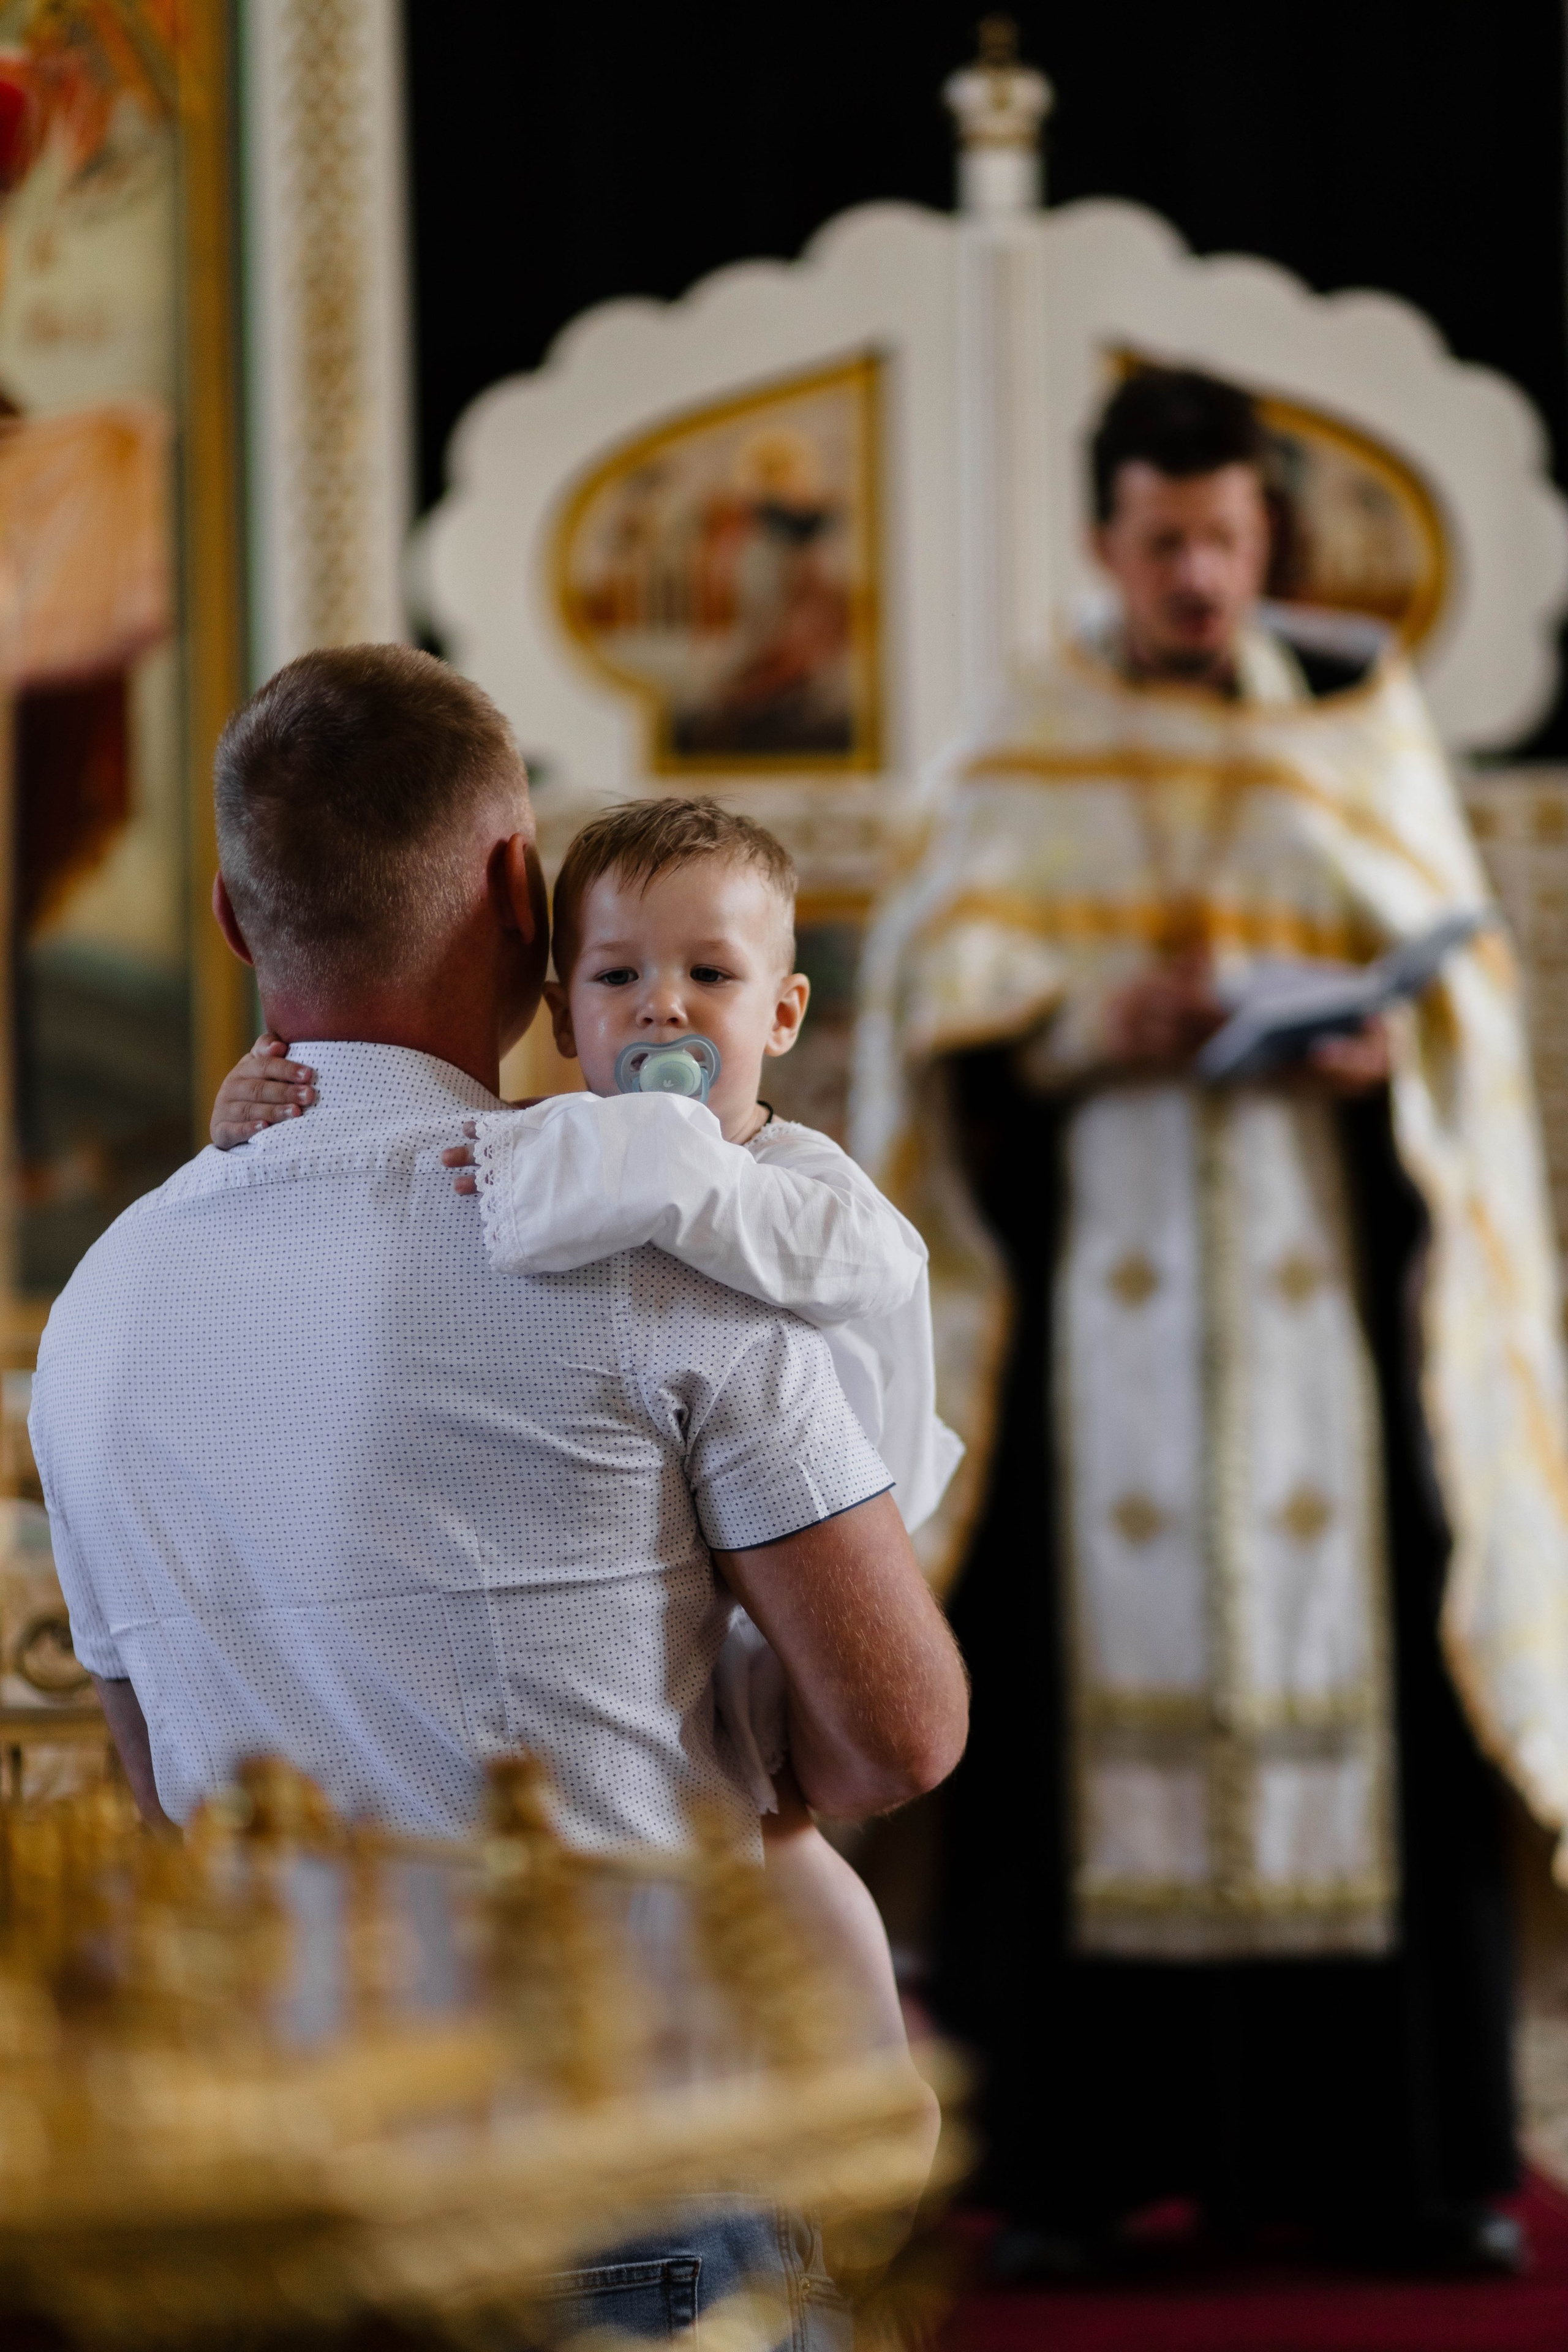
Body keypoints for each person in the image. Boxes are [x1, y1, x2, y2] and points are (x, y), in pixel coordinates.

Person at [29, 644, 969, 2341]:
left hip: (283, 2186)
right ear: (523, 892)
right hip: (620, 2160)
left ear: (239, 930)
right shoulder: (662, 1251)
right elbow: (898, 1733)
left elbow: (156, 1792)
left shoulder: (101, 1306)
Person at [851, 366, 1568, 2273]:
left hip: (1331, 1312)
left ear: (1266, 541)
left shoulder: (1357, 740)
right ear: (1106, 540)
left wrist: (1377, 1057)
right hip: (1101, 1329)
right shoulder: (1022, 750)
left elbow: (1467, 1033)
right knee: (1066, 1691)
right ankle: (1077, 2173)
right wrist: (1087, 1030)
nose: (1197, 575)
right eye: (1163, 540)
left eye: (1227, 540)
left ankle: (1400, 2173)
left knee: (1377, 1672)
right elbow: (934, 1034)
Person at [209, 792, 964, 2058]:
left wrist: (666, 1164)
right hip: (670, 1573)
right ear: (562, 1016)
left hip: (833, 1545)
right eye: (618, 975)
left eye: (709, 975)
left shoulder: (803, 1182)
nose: (663, 1007)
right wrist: (248, 1112)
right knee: (729, 1821)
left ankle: (877, 2088)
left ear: (780, 1015)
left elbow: (860, 1269)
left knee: (783, 1822)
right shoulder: (559, 1149)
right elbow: (476, 1194)